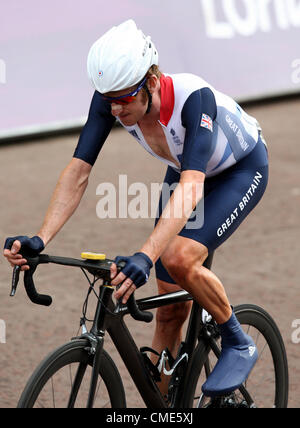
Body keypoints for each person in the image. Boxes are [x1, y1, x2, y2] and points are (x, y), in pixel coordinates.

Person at [4, 19, 269, 399]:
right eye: (108, 98)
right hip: (185, 171)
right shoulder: (113, 99)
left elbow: (194, 185)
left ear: (152, 81)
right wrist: (40, 237)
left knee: (177, 257)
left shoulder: (195, 99)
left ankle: (238, 341)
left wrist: (147, 253)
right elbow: (79, 171)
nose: (115, 108)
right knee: (168, 312)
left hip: (239, 171)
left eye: (125, 98)